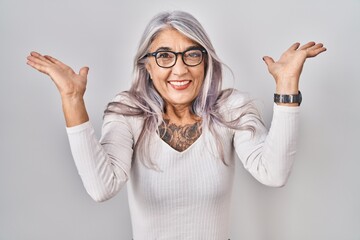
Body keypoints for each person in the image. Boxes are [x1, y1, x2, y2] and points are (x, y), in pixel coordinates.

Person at [26, 10, 326, 240]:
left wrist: (287, 85)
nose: (179, 69)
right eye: (165, 56)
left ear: (206, 61)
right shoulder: (129, 112)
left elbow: (273, 174)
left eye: (192, 54)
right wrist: (72, 98)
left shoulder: (231, 108)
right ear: (147, 65)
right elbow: (101, 188)